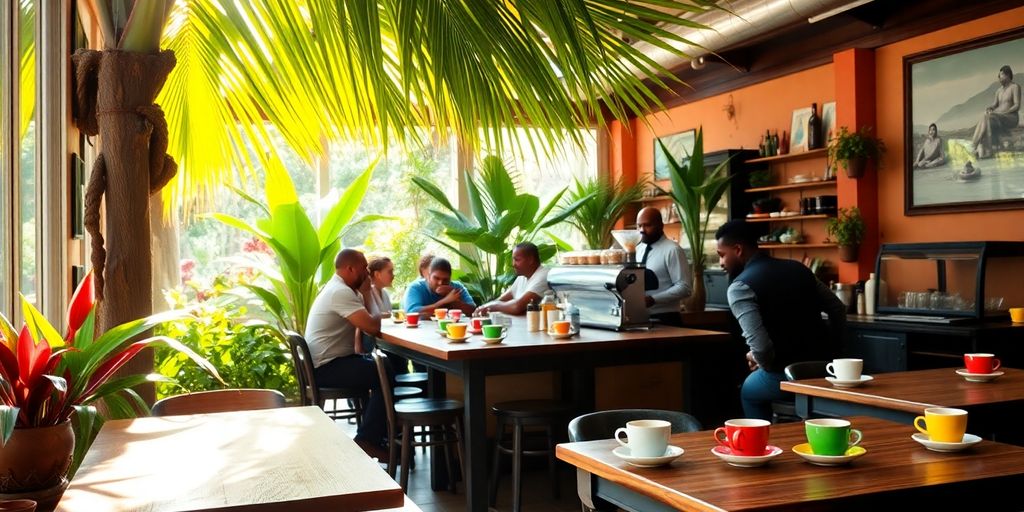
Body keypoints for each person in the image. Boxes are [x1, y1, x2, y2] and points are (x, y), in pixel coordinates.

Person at [714, 220, 847, 421]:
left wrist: (758, 360)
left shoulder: (740, 287)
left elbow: (762, 349)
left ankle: (763, 447)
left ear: (738, 250)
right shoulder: (798, 269)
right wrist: (835, 352)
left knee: (749, 391)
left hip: (783, 375)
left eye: (722, 255)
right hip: (825, 370)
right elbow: (837, 308)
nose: (721, 263)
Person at [304, 248, 390, 460]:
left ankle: (379, 435)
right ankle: (368, 439)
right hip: (326, 367)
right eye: (364, 269)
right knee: (385, 369)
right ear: (350, 269)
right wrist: (370, 292)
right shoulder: (340, 292)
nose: (367, 274)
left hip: (331, 362)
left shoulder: (342, 289)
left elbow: (371, 320)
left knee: (384, 366)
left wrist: (367, 292)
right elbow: (372, 326)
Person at [635, 207, 692, 326]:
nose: (642, 230)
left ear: (661, 226)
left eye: (647, 225)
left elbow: (685, 288)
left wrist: (653, 299)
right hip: (640, 318)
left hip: (667, 318)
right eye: (639, 226)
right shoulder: (637, 249)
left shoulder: (672, 250)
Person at [475, 242, 550, 316]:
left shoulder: (543, 275)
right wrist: (484, 307)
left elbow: (517, 306)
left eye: (517, 260)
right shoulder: (522, 276)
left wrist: (493, 306)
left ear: (531, 260)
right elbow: (503, 299)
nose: (513, 264)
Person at [971, 65, 1021, 159]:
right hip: (998, 117)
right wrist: (990, 107)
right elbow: (995, 104)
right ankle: (977, 146)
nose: (999, 77)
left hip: (1010, 117)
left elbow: (1017, 105)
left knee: (987, 117)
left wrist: (1004, 112)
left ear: (1007, 75)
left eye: (1001, 75)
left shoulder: (1015, 87)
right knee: (985, 115)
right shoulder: (998, 91)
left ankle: (975, 146)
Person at [403, 257, 476, 316]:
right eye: (436, 278)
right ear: (428, 276)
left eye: (445, 279)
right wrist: (444, 301)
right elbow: (412, 313)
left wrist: (454, 301)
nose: (440, 283)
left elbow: (474, 312)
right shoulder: (415, 287)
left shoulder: (457, 288)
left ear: (450, 278)